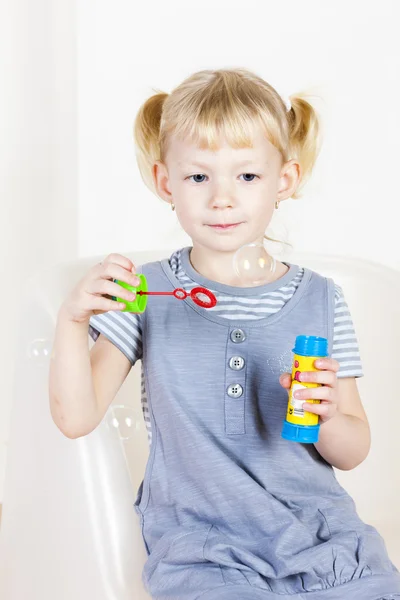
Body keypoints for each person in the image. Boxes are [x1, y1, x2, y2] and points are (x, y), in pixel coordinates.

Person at [49, 68, 400, 599]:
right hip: (204, 550)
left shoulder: (321, 299)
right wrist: (72, 322)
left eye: (247, 177)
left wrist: (327, 417)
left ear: (285, 180)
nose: (221, 199)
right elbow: (76, 417)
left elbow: (352, 450)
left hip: (323, 539)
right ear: (167, 182)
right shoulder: (144, 292)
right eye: (198, 177)